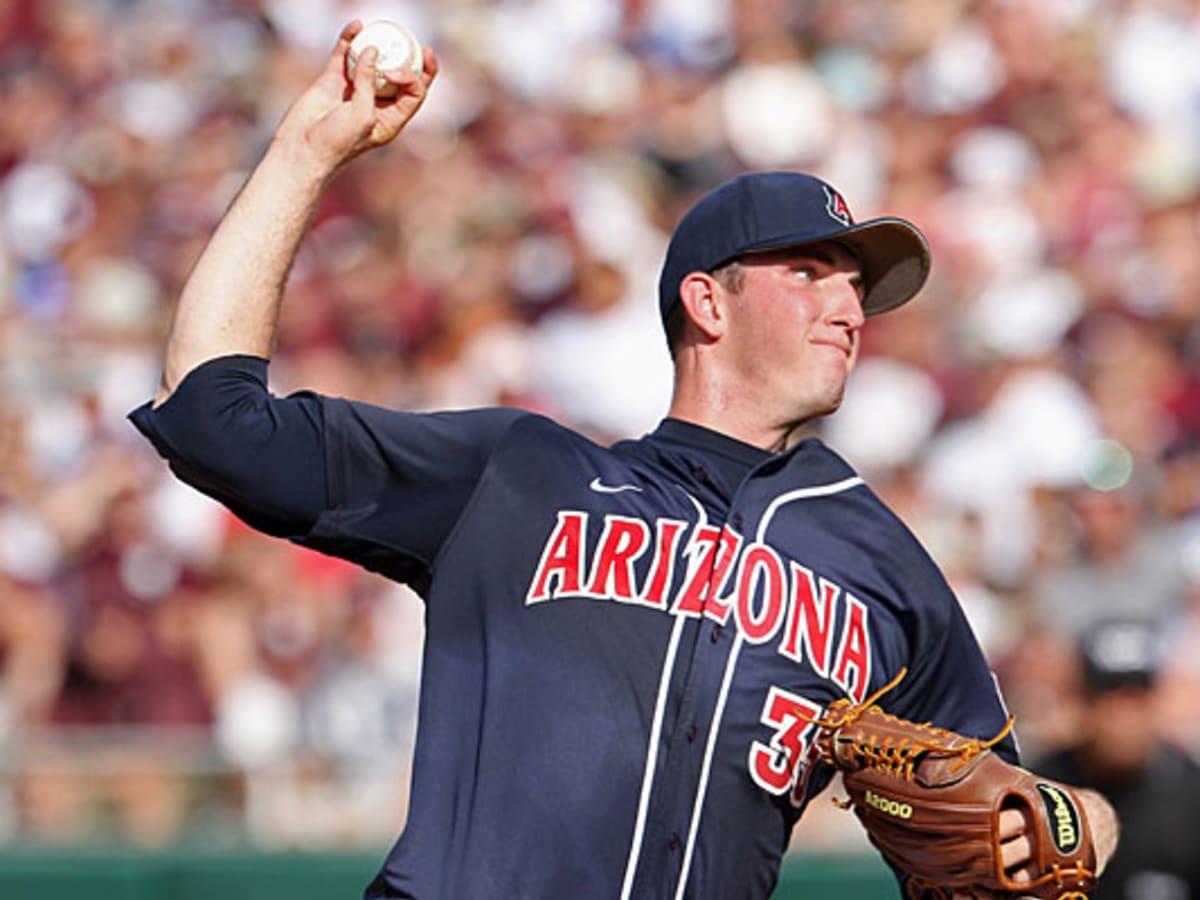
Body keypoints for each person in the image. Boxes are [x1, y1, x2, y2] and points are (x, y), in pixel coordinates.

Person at [129, 21, 1118, 899]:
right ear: (707, 302)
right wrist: (304, 156)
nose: (849, 306)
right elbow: (213, 419)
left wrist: (1073, 831)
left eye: (858, 286)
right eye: (810, 272)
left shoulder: (882, 561)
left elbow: (1036, 815)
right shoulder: (521, 475)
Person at [1035, 618, 1200, 900]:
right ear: (1083, 703)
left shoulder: (1192, 796)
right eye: (1109, 698)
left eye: (1136, 698)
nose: (1123, 717)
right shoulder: (1042, 790)